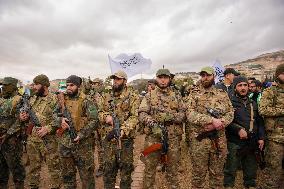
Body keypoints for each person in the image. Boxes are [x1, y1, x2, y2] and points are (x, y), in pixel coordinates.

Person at [186, 66, 234, 188]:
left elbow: (230, 113)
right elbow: (190, 114)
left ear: (214, 76)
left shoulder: (222, 94)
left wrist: (220, 122)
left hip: (219, 140)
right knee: (198, 175)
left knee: (217, 175)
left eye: (208, 75)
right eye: (203, 75)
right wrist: (211, 120)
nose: (205, 78)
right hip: (199, 142)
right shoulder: (193, 94)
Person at [139, 68, 186, 189]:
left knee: (173, 171)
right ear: (156, 79)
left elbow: (183, 114)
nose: (163, 80)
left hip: (173, 138)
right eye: (160, 77)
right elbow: (142, 114)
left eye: (165, 77)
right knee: (149, 170)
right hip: (153, 138)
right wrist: (153, 124)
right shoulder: (149, 96)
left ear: (169, 79)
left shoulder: (176, 96)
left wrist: (171, 117)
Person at [54, 75, 98, 189]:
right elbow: (53, 115)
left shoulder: (86, 100)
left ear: (78, 86)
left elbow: (94, 120)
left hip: (82, 145)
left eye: (72, 85)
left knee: (87, 177)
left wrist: (81, 134)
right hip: (65, 144)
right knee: (67, 176)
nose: (69, 88)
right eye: (67, 85)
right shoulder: (62, 99)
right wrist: (60, 120)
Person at [98, 70, 140, 189]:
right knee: (108, 172)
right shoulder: (106, 96)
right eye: (114, 79)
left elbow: (135, 116)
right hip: (109, 141)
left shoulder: (132, 96)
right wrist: (106, 117)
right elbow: (99, 112)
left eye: (118, 79)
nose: (115, 81)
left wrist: (123, 129)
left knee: (126, 172)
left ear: (124, 81)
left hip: (125, 140)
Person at [18, 74, 61, 189]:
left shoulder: (55, 99)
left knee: (54, 168)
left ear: (45, 85)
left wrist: (47, 128)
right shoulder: (33, 98)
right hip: (33, 140)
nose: (34, 87)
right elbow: (27, 115)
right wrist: (23, 117)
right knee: (33, 168)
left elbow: (60, 119)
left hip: (49, 141)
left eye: (36, 84)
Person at [223, 76, 265, 189]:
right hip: (234, 142)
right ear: (235, 87)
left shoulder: (253, 103)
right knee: (230, 170)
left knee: (251, 170)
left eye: (245, 85)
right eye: (240, 85)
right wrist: (238, 129)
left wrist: (261, 137)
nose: (243, 88)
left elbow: (260, 122)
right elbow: (225, 122)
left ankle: (250, 185)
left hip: (251, 142)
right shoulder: (229, 103)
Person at [259, 63, 284, 189]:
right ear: (277, 75)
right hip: (276, 137)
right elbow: (263, 109)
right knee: (274, 167)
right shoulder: (270, 92)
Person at [0, 77, 25, 189]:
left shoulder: (20, 100)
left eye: (5, 85)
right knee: (1, 170)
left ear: (13, 86)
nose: (3, 87)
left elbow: (22, 121)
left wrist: (8, 134)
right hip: (1, 139)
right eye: (2, 85)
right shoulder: (2, 99)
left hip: (12, 141)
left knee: (16, 170)